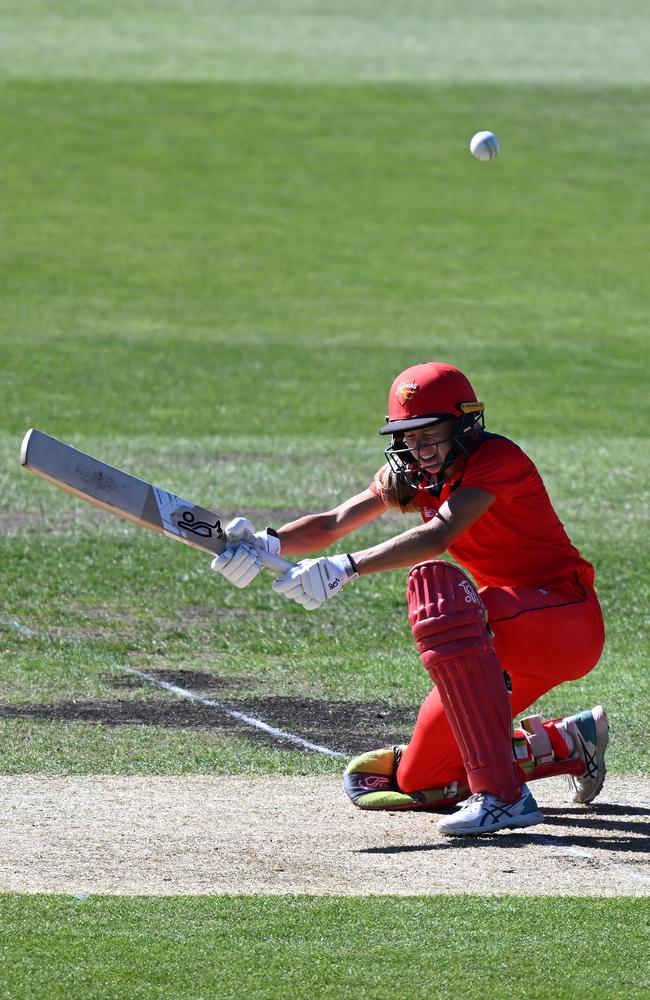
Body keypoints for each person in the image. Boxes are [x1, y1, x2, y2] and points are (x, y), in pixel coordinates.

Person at [211, 362, 608, 836]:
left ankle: (504, 797)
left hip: (562, 620)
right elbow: (334, 522)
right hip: (502, 635)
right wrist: (266, 544)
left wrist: (346, 567)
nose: (418, 449)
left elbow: (437, 535)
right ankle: (564, 744)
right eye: (408, 437)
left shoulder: (497, 459)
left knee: (444, 596)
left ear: (465, 424)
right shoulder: (412, 472)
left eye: (429, 435)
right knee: (423, 778)